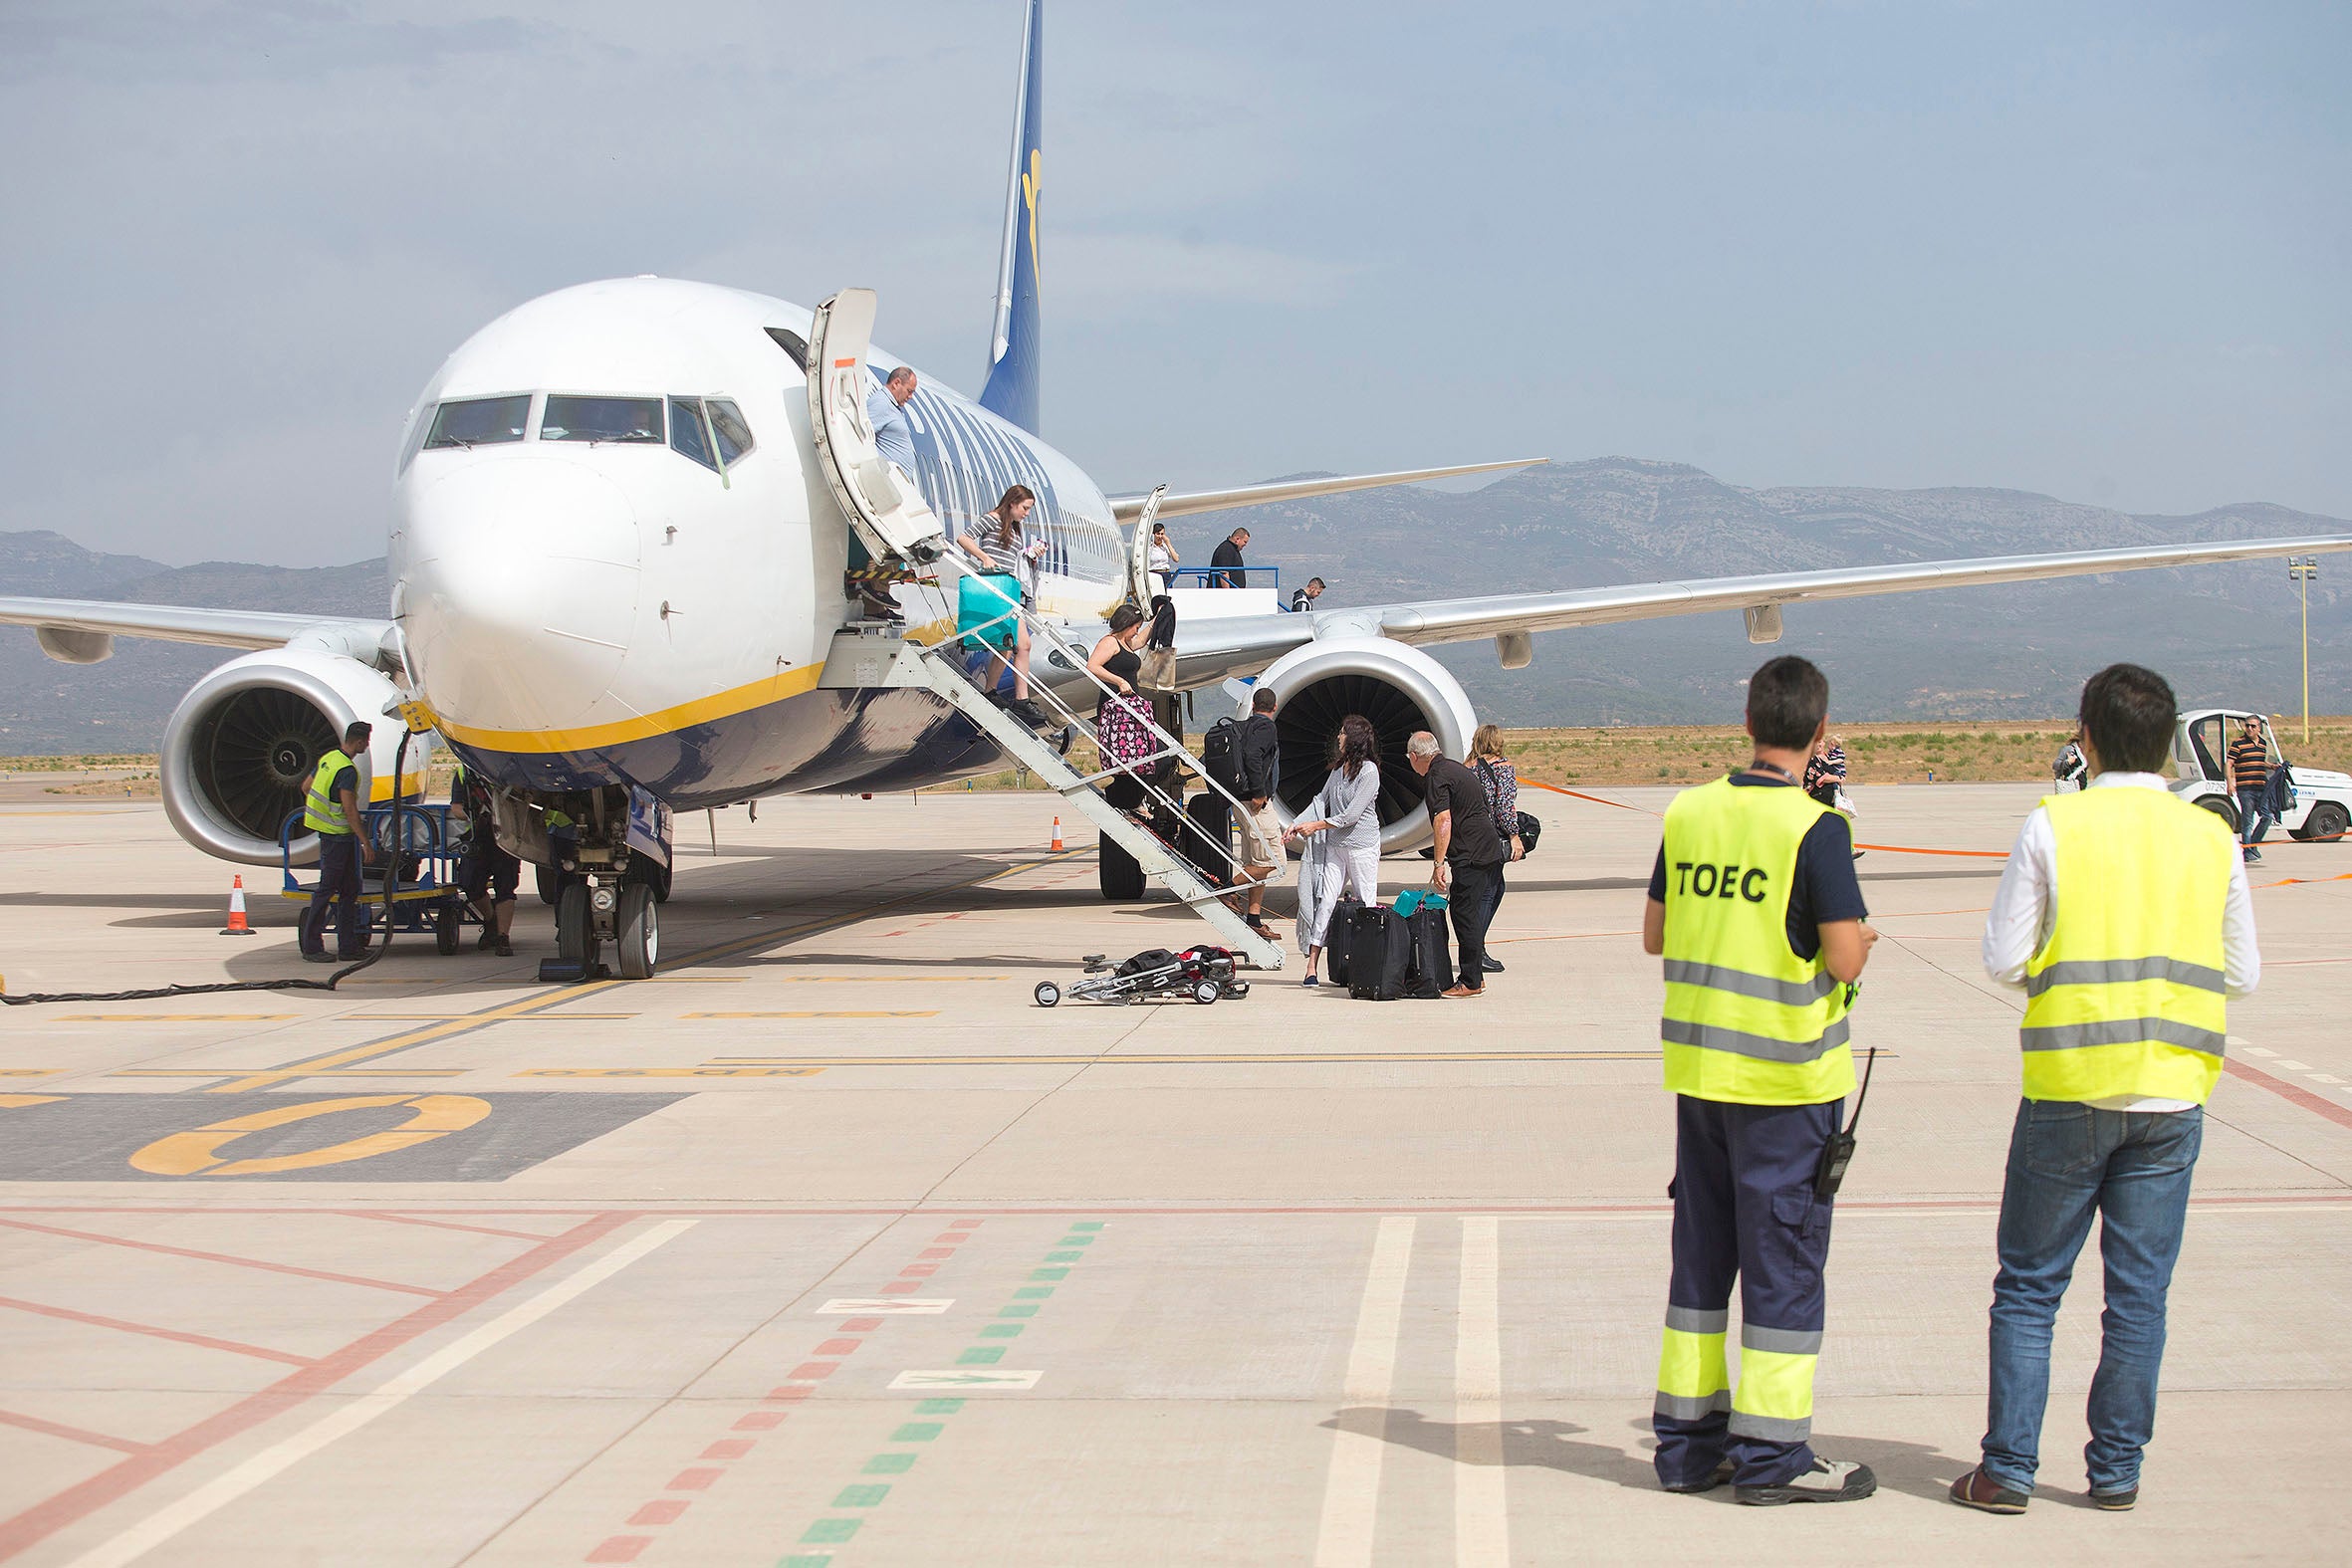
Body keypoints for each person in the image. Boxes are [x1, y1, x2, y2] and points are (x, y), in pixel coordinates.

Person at [1950, 662, 2258, 1516]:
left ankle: (2008, 1469)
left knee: (2028, 1287)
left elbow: (2004, 956)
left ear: (2084, 737)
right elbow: (2244, 971)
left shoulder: (2055, 824)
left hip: (2070, 1087)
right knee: (2137, 1296)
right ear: (2168, 744)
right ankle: (2116, 1470)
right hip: (2171, 1094)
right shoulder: (2213, 835)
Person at [1643, 654, 1878, 1505]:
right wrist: (1858, 949)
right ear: (1819, 734)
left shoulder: (1689, 811)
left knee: (1702, 1264)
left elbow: (1656, 932)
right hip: (1786, 1085)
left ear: (1747, 722)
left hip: (1702, 1077)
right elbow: (1844, 952)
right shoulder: (1817, 829)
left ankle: (1687, 1447)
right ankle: (1775, 1458)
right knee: (1782, 1267)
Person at [1406, 731, 1506, 997]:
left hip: (1472, 853)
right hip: (1487, 848)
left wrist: (1438, 863)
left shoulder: (1437, 777)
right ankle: (1476, 978)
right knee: (1467, 912)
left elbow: (1443, 820)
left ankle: (1470, 981)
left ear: (1415, 757)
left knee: (1464, 915)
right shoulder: (1454, 768)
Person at [1288, 714, 1383, 987]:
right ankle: (1311, 966)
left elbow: (1351, 816)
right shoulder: (1338, 770)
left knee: (1367, 901)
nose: (1338, 737)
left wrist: (1316, 826)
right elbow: (1321, 800)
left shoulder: (1369, 772)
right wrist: (1295, 824)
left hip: (1362, 846)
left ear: (1353, 738)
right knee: (1326, 900)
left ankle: (1371, 962)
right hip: (1337, 845)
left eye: (1343, 733)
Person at [955, 485, 1051, 727]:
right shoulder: (993, 519)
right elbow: (963, 537)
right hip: (996, 590)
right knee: (1023, 645)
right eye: (1025, 508)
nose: (1026, 514)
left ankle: (991, 691)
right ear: (1012, 503)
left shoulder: (1015, 529)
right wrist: (984, 557)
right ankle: (1021, 699)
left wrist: (1030, 554)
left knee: (1007, 647)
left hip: (1010, 590)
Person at [299, 722, 377, 964]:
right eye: (367, 741)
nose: (367, 745)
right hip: (339, 837)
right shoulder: (347, 770)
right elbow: (349, 809)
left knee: (348, 891)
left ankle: (348, 947)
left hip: (327, 834)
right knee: (327, 890)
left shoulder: (329, 759)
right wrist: (366, 842)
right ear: (360, 741)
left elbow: (306, 786)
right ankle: (312, 947)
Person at [1468, 725, 1524, 975]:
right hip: (1492, 838)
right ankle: (1476, 950)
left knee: (1490, 889)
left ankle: (1476, 948)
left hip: (1470, 837)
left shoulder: (1467, 768)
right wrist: (1514, 835)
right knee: (1490, 892)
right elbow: (1504, 806)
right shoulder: (1503, 768)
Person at [1228, 688, 1284, 934]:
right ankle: (1227, 891)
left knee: (1255, 863)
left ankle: (1254, 918)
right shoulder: (1266, 727)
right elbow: (1253, 756)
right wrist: (1259, 792)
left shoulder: (1243, 727)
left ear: (1252, 704)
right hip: (1255, 804)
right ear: (1274, 706)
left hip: (1240, 802)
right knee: (1276, 862)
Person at [451, 763, 519, 957]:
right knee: (470, 883)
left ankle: (502, 937)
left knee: (505, 887)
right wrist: (473, 817)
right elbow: (456, 807)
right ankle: (491, 920)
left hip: (505, 834)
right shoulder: (465, 772)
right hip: (478, 835)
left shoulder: (512, 769)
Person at [1088, 604, 1156, 773]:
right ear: (1126, 624)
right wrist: (1119, 681)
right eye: (1135, 627)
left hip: (1130, 706)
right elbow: (1092, 666)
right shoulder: (1110, 642)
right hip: (1116, 708)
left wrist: (1158, 618)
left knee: (1138, 752)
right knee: (1125, 754)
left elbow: (1140, 641)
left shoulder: (1125, 642)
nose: (1136, 632)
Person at [2228, 714, 2272, 863]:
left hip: (2260, 788)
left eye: (2253, 726)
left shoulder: (2263, 744)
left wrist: (2271, 766)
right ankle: (2248, 851)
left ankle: (2251, 845)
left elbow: (2259, 761)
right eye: (2247, 725)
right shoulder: (2238, 743)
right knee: (2248, 821)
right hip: (2245, 789)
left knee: (2267, 817)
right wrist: (2230, 782)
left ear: (2259, 728)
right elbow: (2229, 763)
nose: (2249, 729)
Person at [866, 366, 918, 471]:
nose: (911, 396)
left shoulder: (891, 406)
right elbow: (860, 435)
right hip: (882, 481)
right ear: (896, 384)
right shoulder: (881, 403)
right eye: (909, 391)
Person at [1147, 522, 1178, 597]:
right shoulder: (1149, 547)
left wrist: (1168, 543)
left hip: (1165, 574)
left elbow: (1176, 559)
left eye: (1162, 534)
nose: (1160, 536)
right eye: (1158, 534)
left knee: (1167, 597)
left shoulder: (1165, 546)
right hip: (1154, 574)